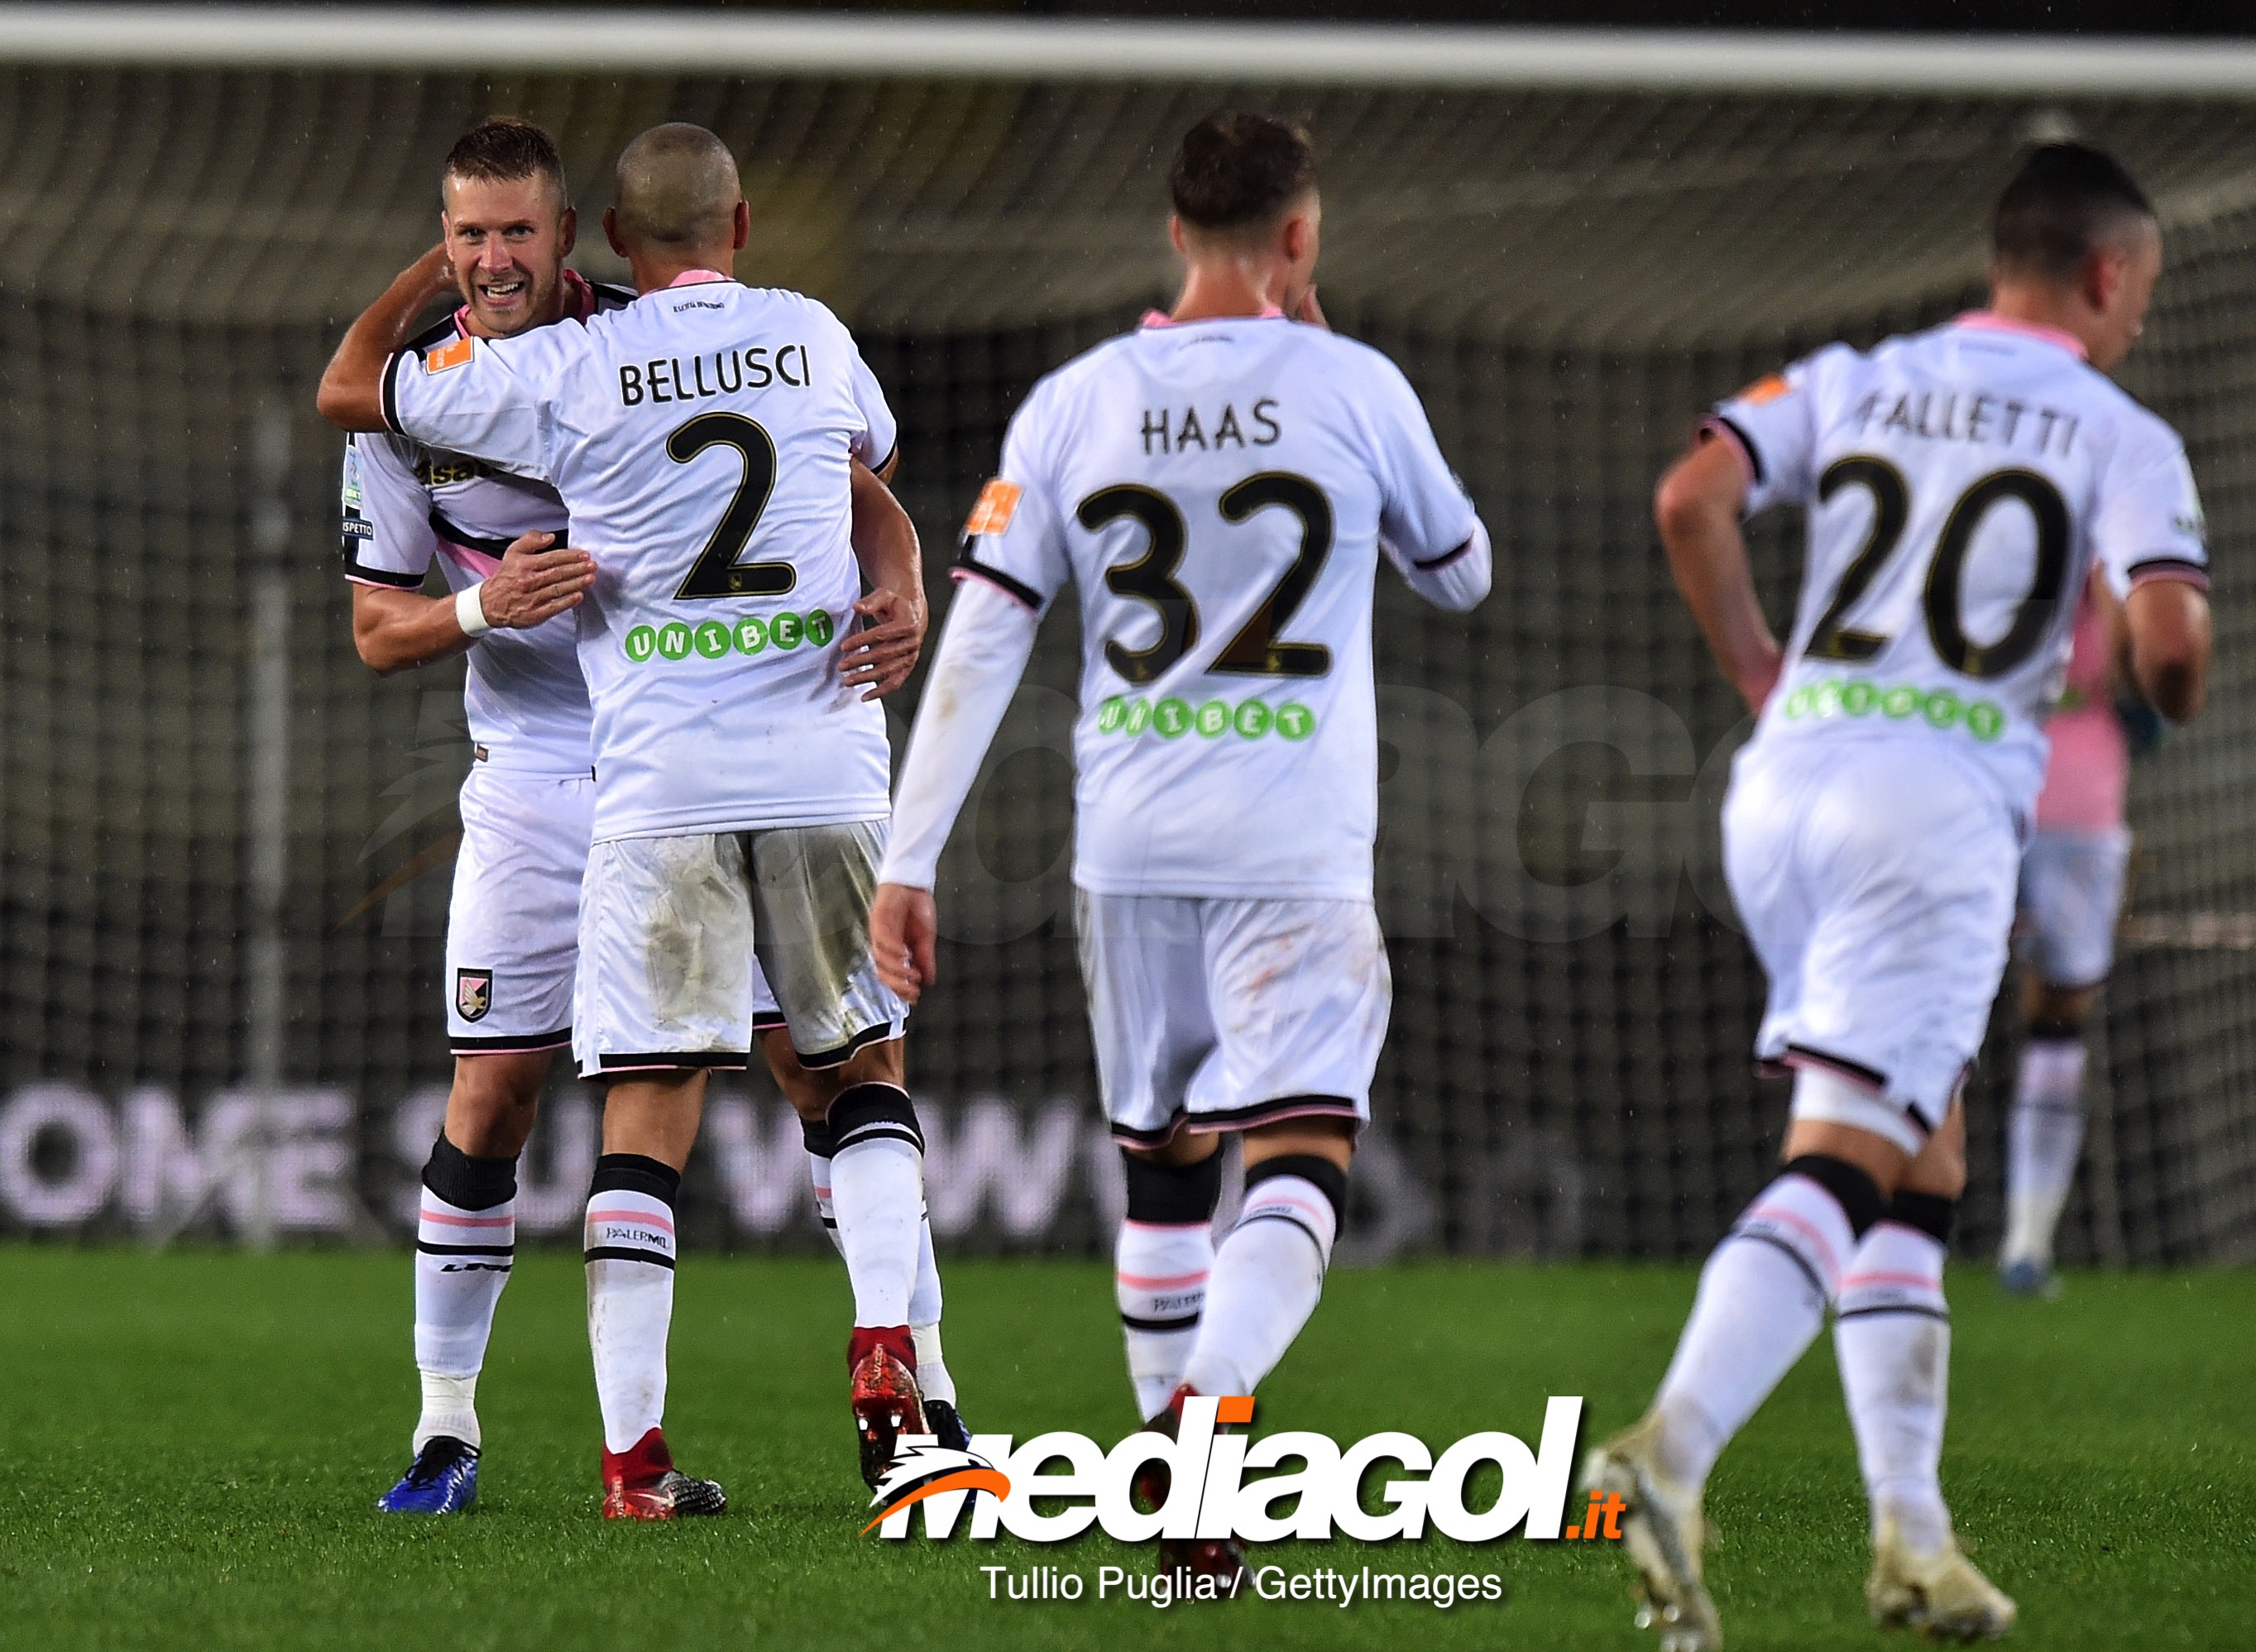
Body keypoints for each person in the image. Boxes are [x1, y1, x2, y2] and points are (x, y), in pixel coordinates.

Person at [1589, 142, 2212, 1646]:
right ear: (2110, 276)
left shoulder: (1856, 371)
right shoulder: (2117, 426)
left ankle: (1914, 1543)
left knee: (1919, 1160)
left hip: (1783, 785)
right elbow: (2172, 644)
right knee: (1853, 1156)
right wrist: (2163, 689)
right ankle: (1663, 1455)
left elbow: (1692, 498)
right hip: (1927, 810)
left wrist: (1761, 670)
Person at [869, 110, 1491, 1587]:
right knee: (1299, 1149)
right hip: (1294, 842)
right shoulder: (1357, 384)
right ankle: (1209, 1429)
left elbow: (985, 636)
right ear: (1301, 237)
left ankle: (1182, 1492)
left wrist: (911, 854)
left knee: (1162, 1163)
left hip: (1131, 844)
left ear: (1170, 233)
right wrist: (1333, 360)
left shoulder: (1075, 402)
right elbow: (1460, 575)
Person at [320, 122, 951, 1517]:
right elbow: (374, 631)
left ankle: (910, 1409)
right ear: (445, 242)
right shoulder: (434, 420)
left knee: (798, 1079)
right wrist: (489, 603)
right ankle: (446, 1431)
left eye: (514, 233)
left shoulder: (566, 363)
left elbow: (860, 493)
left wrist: (900, 577)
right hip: (552, 775)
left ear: (578, 237)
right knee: (495, 1094)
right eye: (465, 236)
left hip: (663, 765)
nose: (491, 260)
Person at [1998, 572, 2151, 1297]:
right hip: (2066, 801)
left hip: (1993, 789)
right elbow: (2152, 673)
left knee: (1959, 1010)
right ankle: (2023, 1244)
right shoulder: (2113, 554)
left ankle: (2018, 1241)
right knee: (2055, 1021)